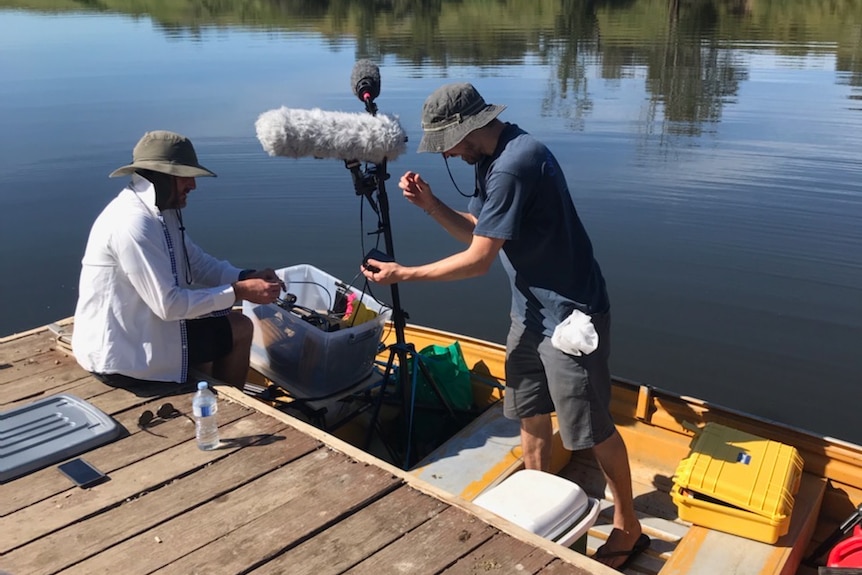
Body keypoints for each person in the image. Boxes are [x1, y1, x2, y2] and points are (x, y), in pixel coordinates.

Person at [361, 83, 647, 569]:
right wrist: (432, 206)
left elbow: (478, 262)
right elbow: (483, 230)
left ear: (468, 129)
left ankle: (628, 526)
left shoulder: (516, 162)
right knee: (530, 416)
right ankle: (539, 518)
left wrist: (403, 274)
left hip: (570, 319)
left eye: (447, 143)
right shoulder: (491, 159)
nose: (446, 153)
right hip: (530, 313)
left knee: (592, 429)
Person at [73, 130, 284, 388]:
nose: (193, 186)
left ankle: (215, 395)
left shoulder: (161, 211)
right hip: (124, 358)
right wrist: (239, 292)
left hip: (146, 333)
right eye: (185, 177)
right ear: (161, 177)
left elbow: (196, 264)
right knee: (234, 328)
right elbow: (169, 305)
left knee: (235, 326)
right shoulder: (132, 223)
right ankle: (229, 408)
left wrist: (244, 276)